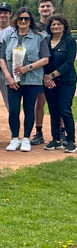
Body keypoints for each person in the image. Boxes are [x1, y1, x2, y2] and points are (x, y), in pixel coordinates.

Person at [0, 8, 50, 152]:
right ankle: (14, 138)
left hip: (31, 80)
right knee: (13, 110)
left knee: (29, 109)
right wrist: (9, 77)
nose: (23, 21)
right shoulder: (8, 37)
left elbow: (45, 59)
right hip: (13, 81)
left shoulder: (39, 37)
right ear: (16, 20)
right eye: (20, 18)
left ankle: (26, 138)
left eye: (26, 19)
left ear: (30, 21)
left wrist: (28, 67)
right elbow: (2, 59)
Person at [42, 14, 75, 152]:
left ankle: (71, 140)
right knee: (53, 110)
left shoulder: (69, 40)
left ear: (63, 26)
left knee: (65, 110)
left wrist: (52, 76)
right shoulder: (46, 40)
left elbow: (69, 63)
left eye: (58, 24)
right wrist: (46, 77)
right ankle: (56, 140)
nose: (55, 26)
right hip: (49, 82)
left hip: (66, 81)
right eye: (53, 24)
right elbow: (43, 60)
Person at [32, 0, 56, 146]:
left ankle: (60, 133)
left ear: (53, 8)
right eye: (42, 6)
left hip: (56, 70)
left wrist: (53, 75)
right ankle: (39, 132)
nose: (45, 9)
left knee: (58, 103)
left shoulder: (58, 24)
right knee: (40, 101)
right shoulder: (35, 27)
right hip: (40, 70)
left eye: (48, 6)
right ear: (38, 9)